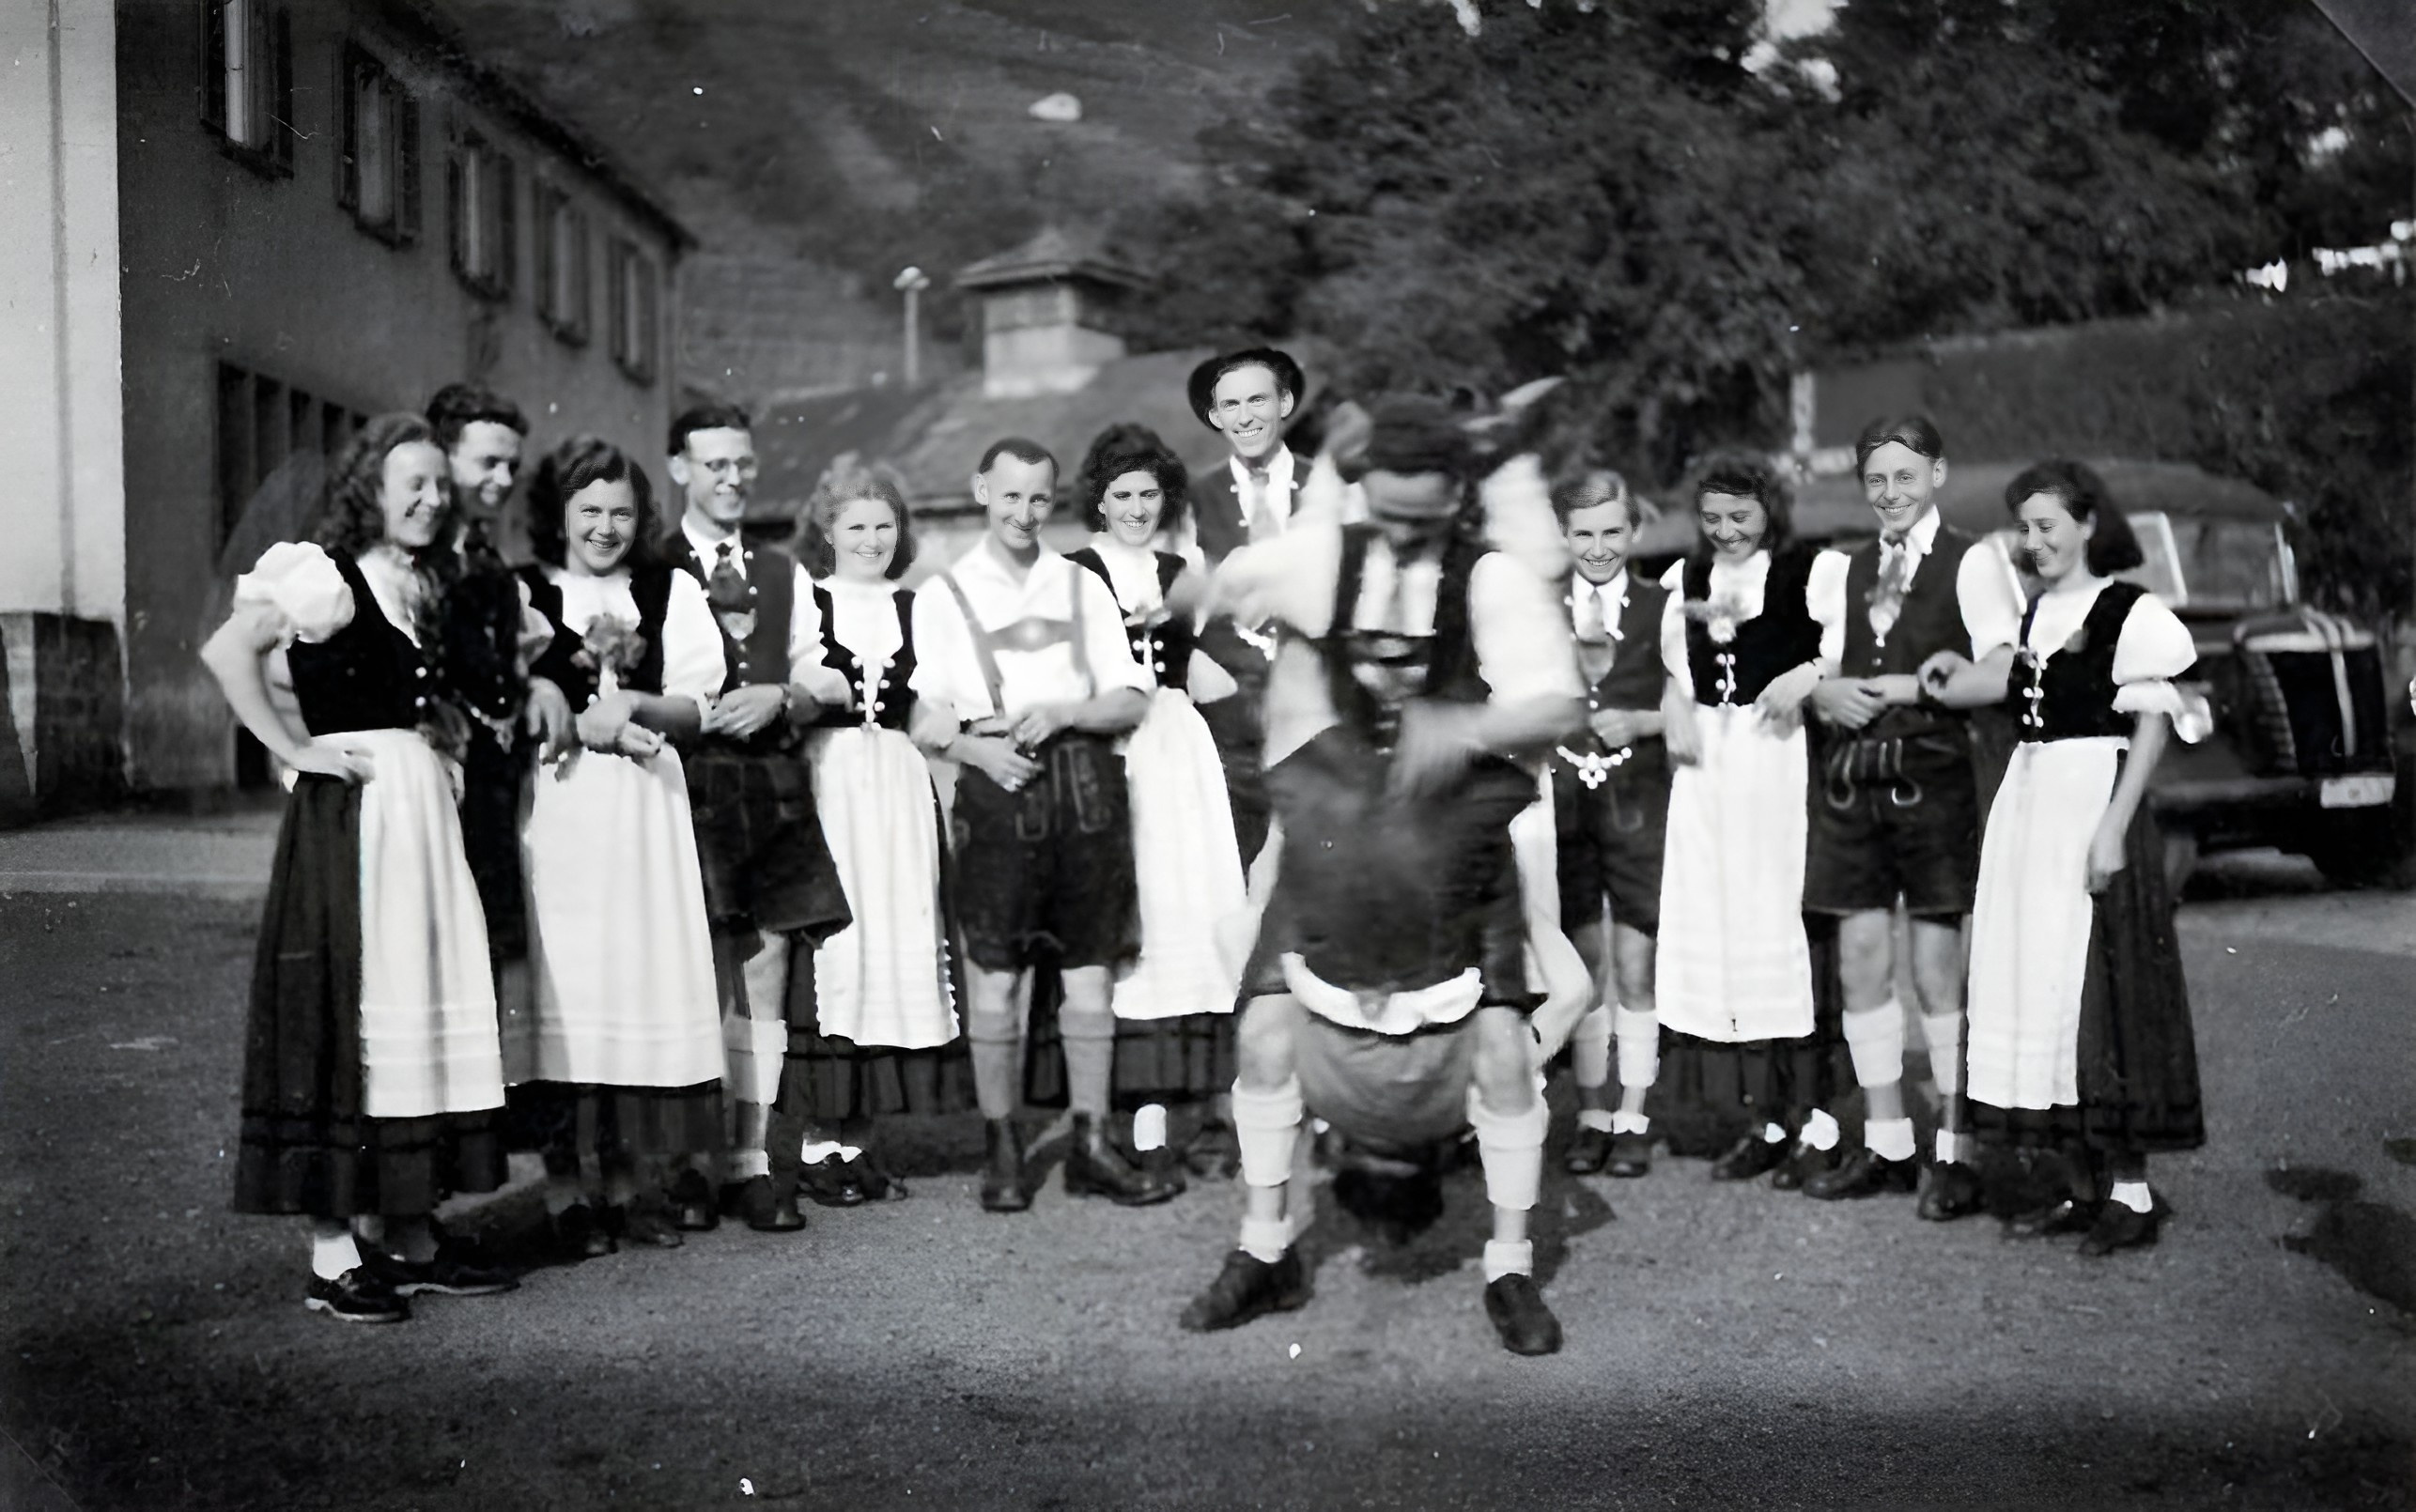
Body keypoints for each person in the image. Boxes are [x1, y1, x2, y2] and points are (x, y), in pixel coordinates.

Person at [1178, 396, 1585, 1357]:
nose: (1401, 541)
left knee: (1500, 1050)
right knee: (1266, 1027)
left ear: (1457, 499)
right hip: (1335, 828)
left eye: (1422, 522)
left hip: (1452, 836)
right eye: (1385, 516)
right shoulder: (1324, 554)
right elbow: (1220, 585)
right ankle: (1266, 1246)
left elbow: (1560, 704)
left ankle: (1510, 1265)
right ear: (1362, 489)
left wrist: (1468, 726)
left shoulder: (1491, 580)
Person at [203, 414, 515, 1323]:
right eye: (407, 482)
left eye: (436, 483)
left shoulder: (430, 581)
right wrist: (294, 747)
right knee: (348, 1009)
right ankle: (334, 1249)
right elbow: (228, 653)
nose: (427, 497)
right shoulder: (321, 576)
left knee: (418, 1000)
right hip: (356, 818)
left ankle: (412, 1232)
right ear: (368, 490)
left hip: (420, 813)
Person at [1920, 461, 2205, 1256]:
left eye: (2048, 525)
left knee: (2101, 991)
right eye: (2025, 527)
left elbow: (2150, 724)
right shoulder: (2041, 611)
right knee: (2039, 989)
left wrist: (2114, 825)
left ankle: (2131, 1193)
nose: (2034, 540)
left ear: (2087, 524)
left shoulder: (2129, 611)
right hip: (2030, 804)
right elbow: (2012, 694)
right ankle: (2080, 1188)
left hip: (2089, 800)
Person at [910, 437, 1178, 1211]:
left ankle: (1092, 1144)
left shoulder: (1079, 585)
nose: (1023, 512)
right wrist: (975, 751)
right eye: (1010, 495)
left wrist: (1064, 710)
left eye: (1038, 498)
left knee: (1089, 974)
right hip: (999, 790)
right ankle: (1002, 1150)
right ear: (980, 489)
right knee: (996, 980)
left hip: (1085, 789)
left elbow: (1131, 697)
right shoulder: (944, 593)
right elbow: (923, 711)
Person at [1798, 416, 2024, 1217]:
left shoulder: (1974, 562)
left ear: (1936, 474)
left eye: (1904, 477)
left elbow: (2000, 672)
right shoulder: (1842, 569)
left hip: (1933, 778)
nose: (1889, 494)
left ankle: (1956, 1148)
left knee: (1937, 972)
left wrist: (1914, 687)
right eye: (1876, 481)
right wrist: (1819, 690)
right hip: (1853, 782)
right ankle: (1890, 1143)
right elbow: (1827, 668)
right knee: (1861, 961)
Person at [514, 437, 728, 1256]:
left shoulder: (670, 590)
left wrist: (630, 702)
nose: (605, 527)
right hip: (557, 809)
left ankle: (632, 1182)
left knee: (638, 981)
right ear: (561, 511)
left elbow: (702, 705)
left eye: (622, 512)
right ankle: (568, 1191)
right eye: (589, 509)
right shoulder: (526, 592)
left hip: (644, 805)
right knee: (566, 984)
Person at [659, 402, 853, 1234]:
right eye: (714, 465)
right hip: (678, 783)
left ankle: (749, 1161)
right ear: (680, 470)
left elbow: (832, 673)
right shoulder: (648, 562)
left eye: (742, 464)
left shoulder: (784, 573)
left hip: (770, 780)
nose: (732, 478)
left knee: (767, 966)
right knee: (692, 968)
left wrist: (787, 693)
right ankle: (684, 1165)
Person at [1065, 423, 1250, 1187]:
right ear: (1099, 503)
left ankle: (1213, 1112)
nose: (1137, 508)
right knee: (1136, 924)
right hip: (1118, 750)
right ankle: (1142, 1126)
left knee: (1196, 913)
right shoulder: (1074, 572)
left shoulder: (1186, 566)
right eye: (1122, 496)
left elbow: (1206, 666)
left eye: (1148, 494)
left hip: (1179, 746)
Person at [1653, 453, 1843, 1186]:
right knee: (1723, 932)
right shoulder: (1684, 582)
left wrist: (1808, 673)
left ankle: (1817, 1120)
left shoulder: (1811, 572)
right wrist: (1674, 704)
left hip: (1778, 764)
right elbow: (1670, 670)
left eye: (1741, 516)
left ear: (1770, 511)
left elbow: (1842, 648)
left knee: (1783, 929)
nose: (1726, 531)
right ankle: (1762, 1119)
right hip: (1709, 773)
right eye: (1712, 519)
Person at [791, 459, 961, 1205]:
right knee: (836, 949)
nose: (871, 539)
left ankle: (858, 1143)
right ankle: (814, 1145)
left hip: (894, 784)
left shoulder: (920, 606)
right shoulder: (806, 600)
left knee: (889, 943)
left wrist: (945, 717)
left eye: (883, 525)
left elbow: (940, 703)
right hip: (827, 783)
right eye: (856, 526)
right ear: (827, 531)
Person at [426, 383, 563, 1084]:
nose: (502, 480)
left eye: (512, 465)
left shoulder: (488, 563)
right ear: (441, 457)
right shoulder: (407, 560)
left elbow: (506, 664)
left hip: (491, 780)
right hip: (432, 778)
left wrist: (533, 682)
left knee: (486, 947)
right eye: (486, 463)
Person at [1545, 471, 1672, 1180]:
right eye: (1584, 534)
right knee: (1583, 965)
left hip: (1638, 800)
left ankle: (1634, 1113)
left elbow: (1687, 708)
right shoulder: (1540, 612)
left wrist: (1646, 719)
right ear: (1564, 537)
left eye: (1612, 532)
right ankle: (1592, 1112)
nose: (1598, 547)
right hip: (1565, 800)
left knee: (1636, 963)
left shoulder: (1664, 606)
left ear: (1635, 533)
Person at [1181, 347, 1313, 867]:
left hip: (1318, 708)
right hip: (1232, 719)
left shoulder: (1329, 487)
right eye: (1231, 405)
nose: (1246, 416)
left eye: (1258, 400)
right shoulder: (1192, 499)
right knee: (1242, 857)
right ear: (1215, 416)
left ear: (1285, 402)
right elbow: (1180, 604)